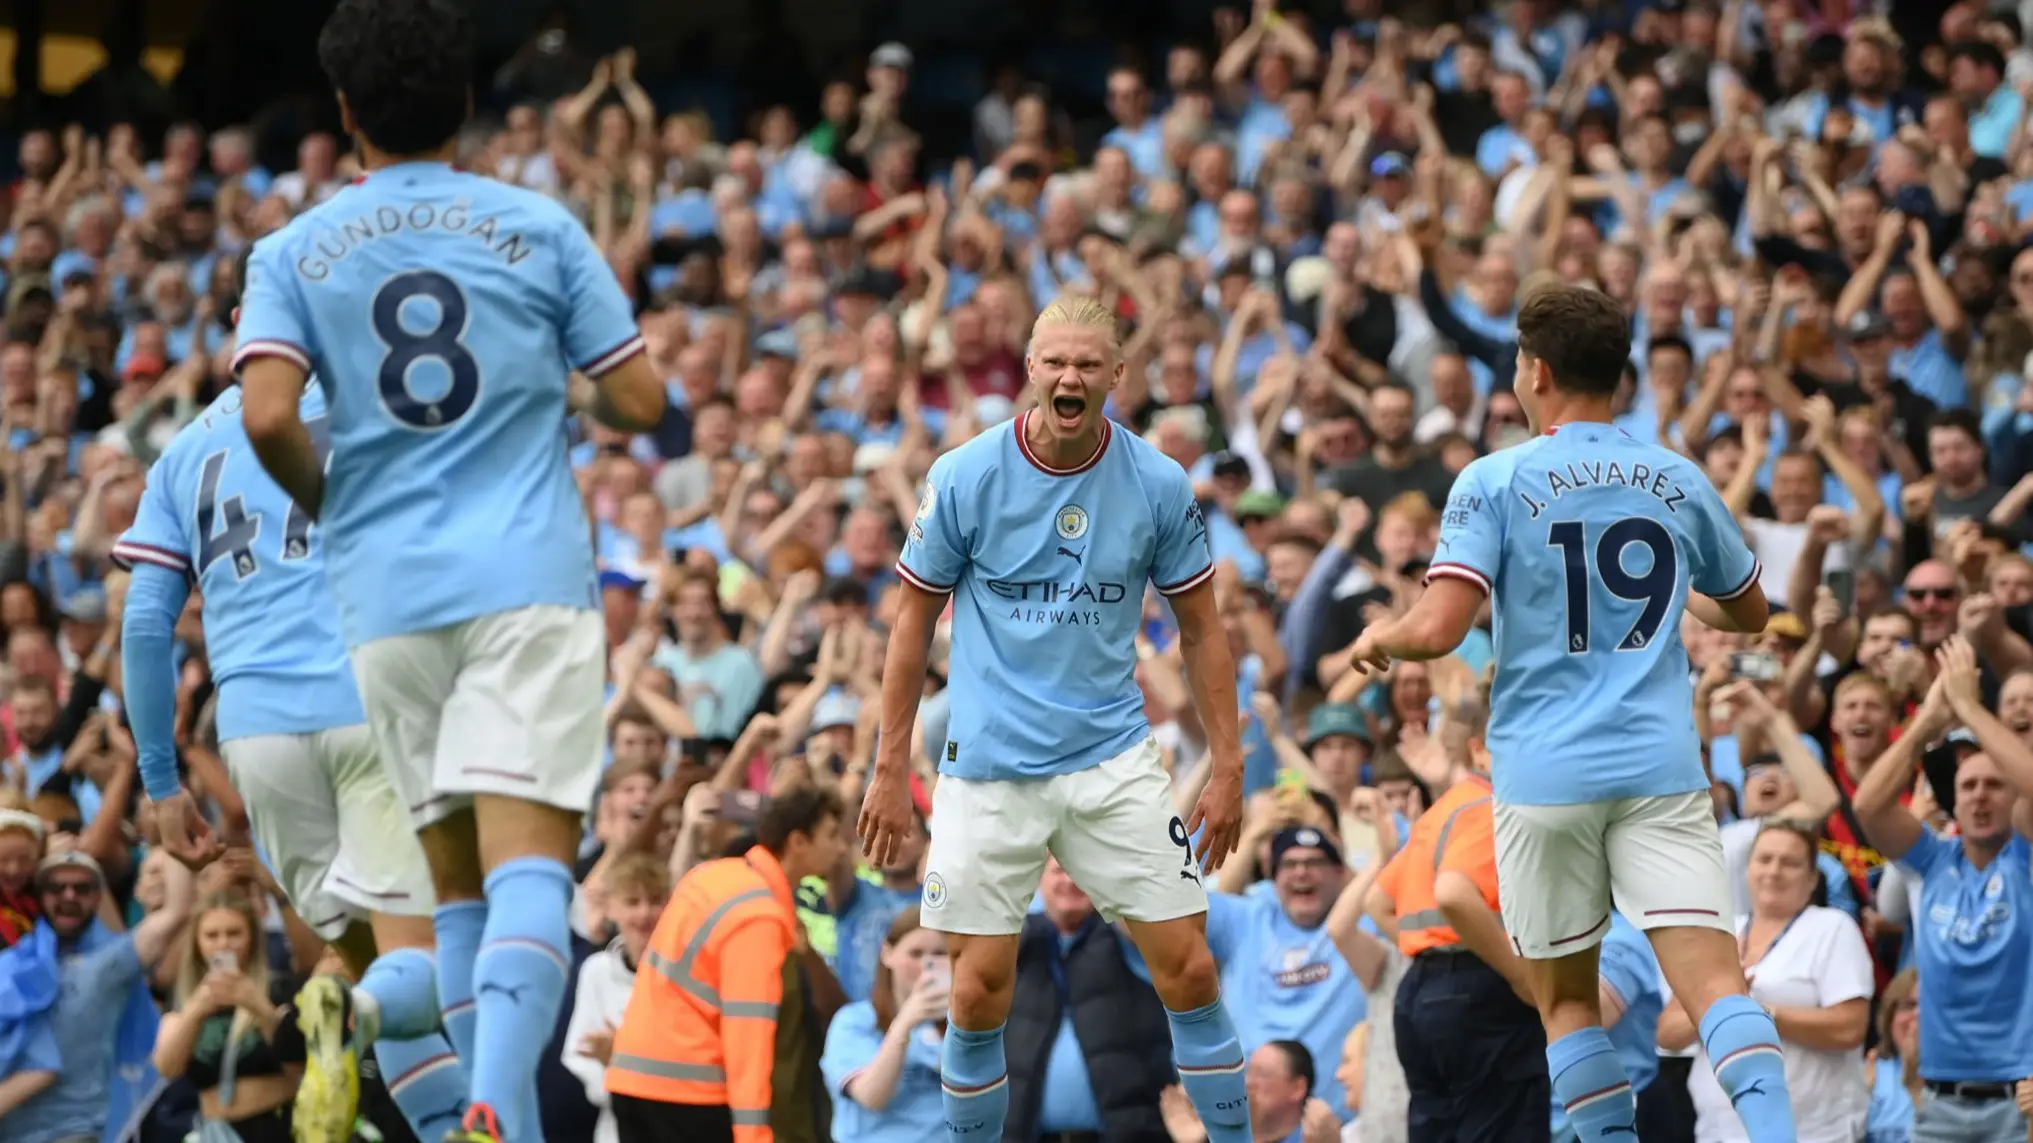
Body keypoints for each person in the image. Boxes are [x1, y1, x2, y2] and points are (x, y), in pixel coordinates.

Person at [231, 2, 665, 1141]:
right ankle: (492, 1109)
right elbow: (642, 399)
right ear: (468, 103)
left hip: (383, 597)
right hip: (523, 579)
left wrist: (337, 500)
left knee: (454, 888)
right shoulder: (539, 225)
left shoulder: (289, 251)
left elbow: (269, 415)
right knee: (530, 872)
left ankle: (492, 1128)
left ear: (343, 110)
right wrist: (549, 378)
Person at [1348, 284, 1796, 1142]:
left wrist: (1385, 633)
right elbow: (1747, 612)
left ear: (1537, 371)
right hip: (1659, 767)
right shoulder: (1674, 475)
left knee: (1563, 1005)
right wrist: (1681, 604)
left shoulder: (1496, 476)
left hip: (1544, 775)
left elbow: (1441, 629)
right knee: (1714, 987)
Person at [857, 294, 1252, 1143]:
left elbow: (1203, 630)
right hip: (987, 766)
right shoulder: (965, 474)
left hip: (1110, 757)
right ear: (1029, 368)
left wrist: (1228, 765)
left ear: (1116, 375)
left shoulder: (1156, 482)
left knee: (1188, 965)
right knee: (975, 991)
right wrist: (888, 768)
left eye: (1086, 364)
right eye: (1053, 362)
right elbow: (909, 623)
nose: (1068, 378)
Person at [116, 244, 462, 1143]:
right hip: (372, 705)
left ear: (239, 327)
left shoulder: (181, 457)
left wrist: (161, 782)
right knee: (426, 961)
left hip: (258, 739)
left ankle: (449, 1124)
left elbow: (147, 627)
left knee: (369, 964)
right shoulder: (376, 408)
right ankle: (363, 1030)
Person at [1850, 638, 2033, 1143]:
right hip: (1937, 1100)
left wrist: (1971, 708)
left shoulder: (2025, 857)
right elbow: (1868, 806)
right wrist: (1929, 720)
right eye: (1968, 786)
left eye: (1994, 784)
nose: (1979, 795)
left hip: (2020, 1101)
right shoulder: (1931, 861)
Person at [604, 785, 849, 1143]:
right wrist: (754, 1136)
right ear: (798, 842)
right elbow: (748, 1032)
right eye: (831, 836)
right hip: (689, 1093)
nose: (841, 848)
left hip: (634, 1078)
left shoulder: (714, 876)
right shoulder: (757, 914)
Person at [1368, 706, 1547, 1142]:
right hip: (1482, 994)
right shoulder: (1495, 807)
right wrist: (1519, 976)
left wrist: (1431, 951)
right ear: (1480, 751)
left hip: (1418, 997)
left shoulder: (1441, 810)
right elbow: (1453, 892)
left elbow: (1378, 902)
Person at [1661, 823, 1873, 1143]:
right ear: (1747, 869)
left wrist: (1758, 1014)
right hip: (1718, 1132)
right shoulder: (1720, 934)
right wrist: (1718, 1008)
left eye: (1790, 863)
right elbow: (1668, 1033)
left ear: (1813, 878)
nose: (1774, 871)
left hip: (1814, 1132)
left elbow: (1849, 1028)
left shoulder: (1832, 928)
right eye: (1764, 859)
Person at [3, 851, 194, 1143]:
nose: (69, 895)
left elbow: (177, 912)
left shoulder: (110, 963)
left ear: (97, 898)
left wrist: (170, 824)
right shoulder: (13, 964)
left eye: (82, 888)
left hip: (72, 1132)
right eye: (56, 887)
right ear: (41, 896)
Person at [150, 892, 307, 1143]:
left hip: (277, 1125)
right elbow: (167, 1067)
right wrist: (197, 1010)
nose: (223, 944)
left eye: (234, 933)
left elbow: (296, 1064)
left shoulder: (279, 990)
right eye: (211, 935)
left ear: (253, 939)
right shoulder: (185, 1000)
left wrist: (256, 1004)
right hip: (215, 1131)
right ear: (197, 943)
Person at [561, 853, 670, 1143]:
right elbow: (578, 1053)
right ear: (611, 909)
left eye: (656, 901)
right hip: (614, 1130)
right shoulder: (596, 971)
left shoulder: (688, 974)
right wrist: (618, 1082)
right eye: (632, 902)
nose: (644, 914)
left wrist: (620, 1057)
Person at [819, 906, 949, 1142]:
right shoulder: (854, 1022)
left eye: (939, 954)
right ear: (887, 954)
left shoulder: (963, 1025)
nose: (925, 965)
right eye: (916, 954)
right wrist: (905, 1023)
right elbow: (872, 1097)